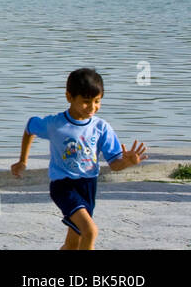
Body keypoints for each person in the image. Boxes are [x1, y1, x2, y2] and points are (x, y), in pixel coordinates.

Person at [12, 68, 147, 250]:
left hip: (88, 186)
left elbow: (115, 164)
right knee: (90, 231)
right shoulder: (55, 124)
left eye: (97, 101)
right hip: (63, 186)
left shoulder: (102, 128)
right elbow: (30, 127)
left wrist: (128, 162)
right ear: (69, 97)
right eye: (85, 102)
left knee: (72, 244)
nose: (92, 107)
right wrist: (22, 160)